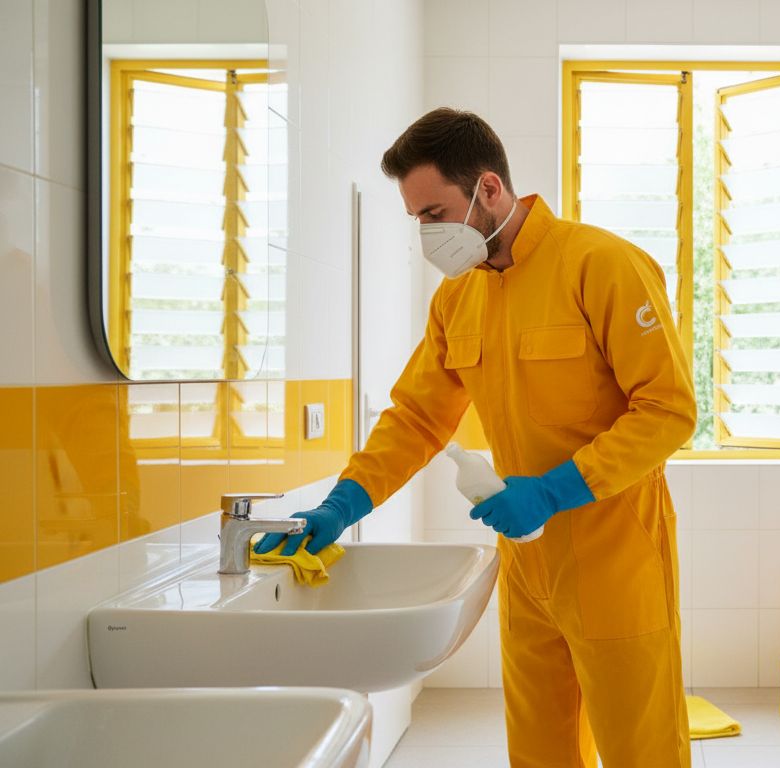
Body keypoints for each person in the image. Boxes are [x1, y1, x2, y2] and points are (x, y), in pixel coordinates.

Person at [255, 107, 696, 768]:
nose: (426, 233)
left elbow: (669, 410)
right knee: (539, 751)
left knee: (642, 751)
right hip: (527, 563)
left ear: (489, 189)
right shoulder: (458, 300)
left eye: (434, 212)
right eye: (417, 218)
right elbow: (415, 418)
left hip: (616, 554)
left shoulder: (602, 265)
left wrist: (556, 490)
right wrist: (344, 503)